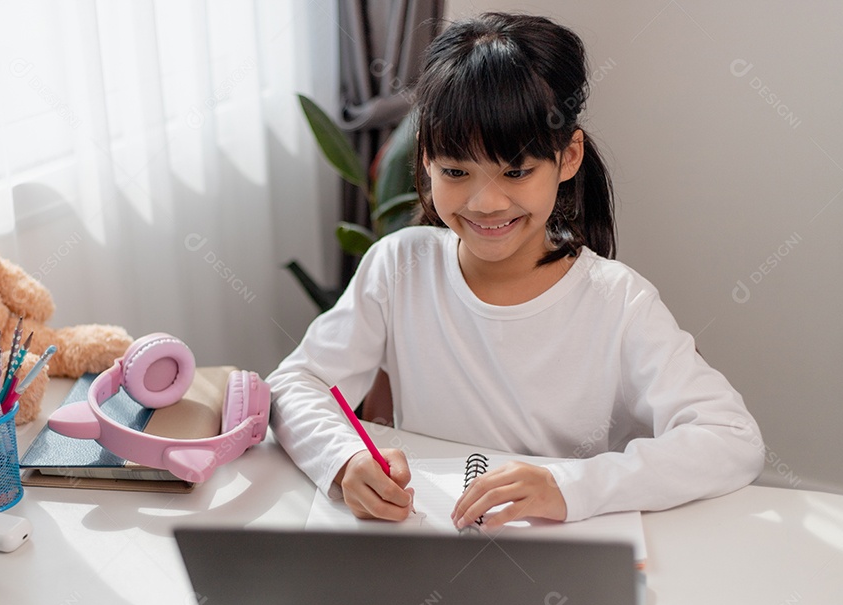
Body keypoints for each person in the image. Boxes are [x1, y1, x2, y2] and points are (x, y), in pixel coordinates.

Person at [266, 12, 764, 528]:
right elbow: (295, 383)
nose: (486, 203)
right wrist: (344, 459)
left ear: (568, 157)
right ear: (426, 161)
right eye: (456, 171)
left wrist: (570, 486)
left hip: (562, 553)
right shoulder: (399, 266)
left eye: (517, 171)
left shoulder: (619, 302)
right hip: (428, 540)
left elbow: (732, 439)